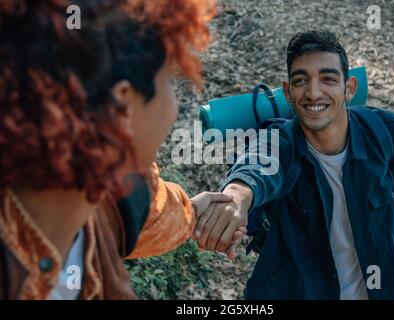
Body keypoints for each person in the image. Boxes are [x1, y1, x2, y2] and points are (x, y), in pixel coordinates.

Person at [0, 0, 244, 300]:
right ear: (122, 106)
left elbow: (159, 212)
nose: (173, 107)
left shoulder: (118, 195)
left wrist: (197, 213)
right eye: (169, 79)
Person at [194, 30, 394, 299]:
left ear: (349, 88)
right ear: (288, 92)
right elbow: (258, 164)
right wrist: (237, 195)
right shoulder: (280, 141)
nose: (313, 93)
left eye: (328, 79)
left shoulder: (387, 132)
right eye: (301, 80)